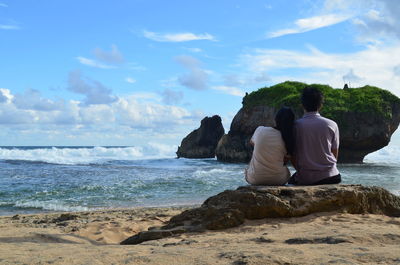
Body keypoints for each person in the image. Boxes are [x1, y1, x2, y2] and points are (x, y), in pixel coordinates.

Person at [289, 86, 341, 185]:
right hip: (331, 176)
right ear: (320, 105)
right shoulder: (332, 124)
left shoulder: (295, 126)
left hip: (305, 177)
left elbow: (292, 154)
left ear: (302, 105)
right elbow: (334, 153)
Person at [245, 107, 295, 185]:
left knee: (253, 159)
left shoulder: (260, 130)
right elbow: (286, 160)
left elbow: (252, 143)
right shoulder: (289, 140)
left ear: (275, 119)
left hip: (255, 179)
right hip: (279, 180)